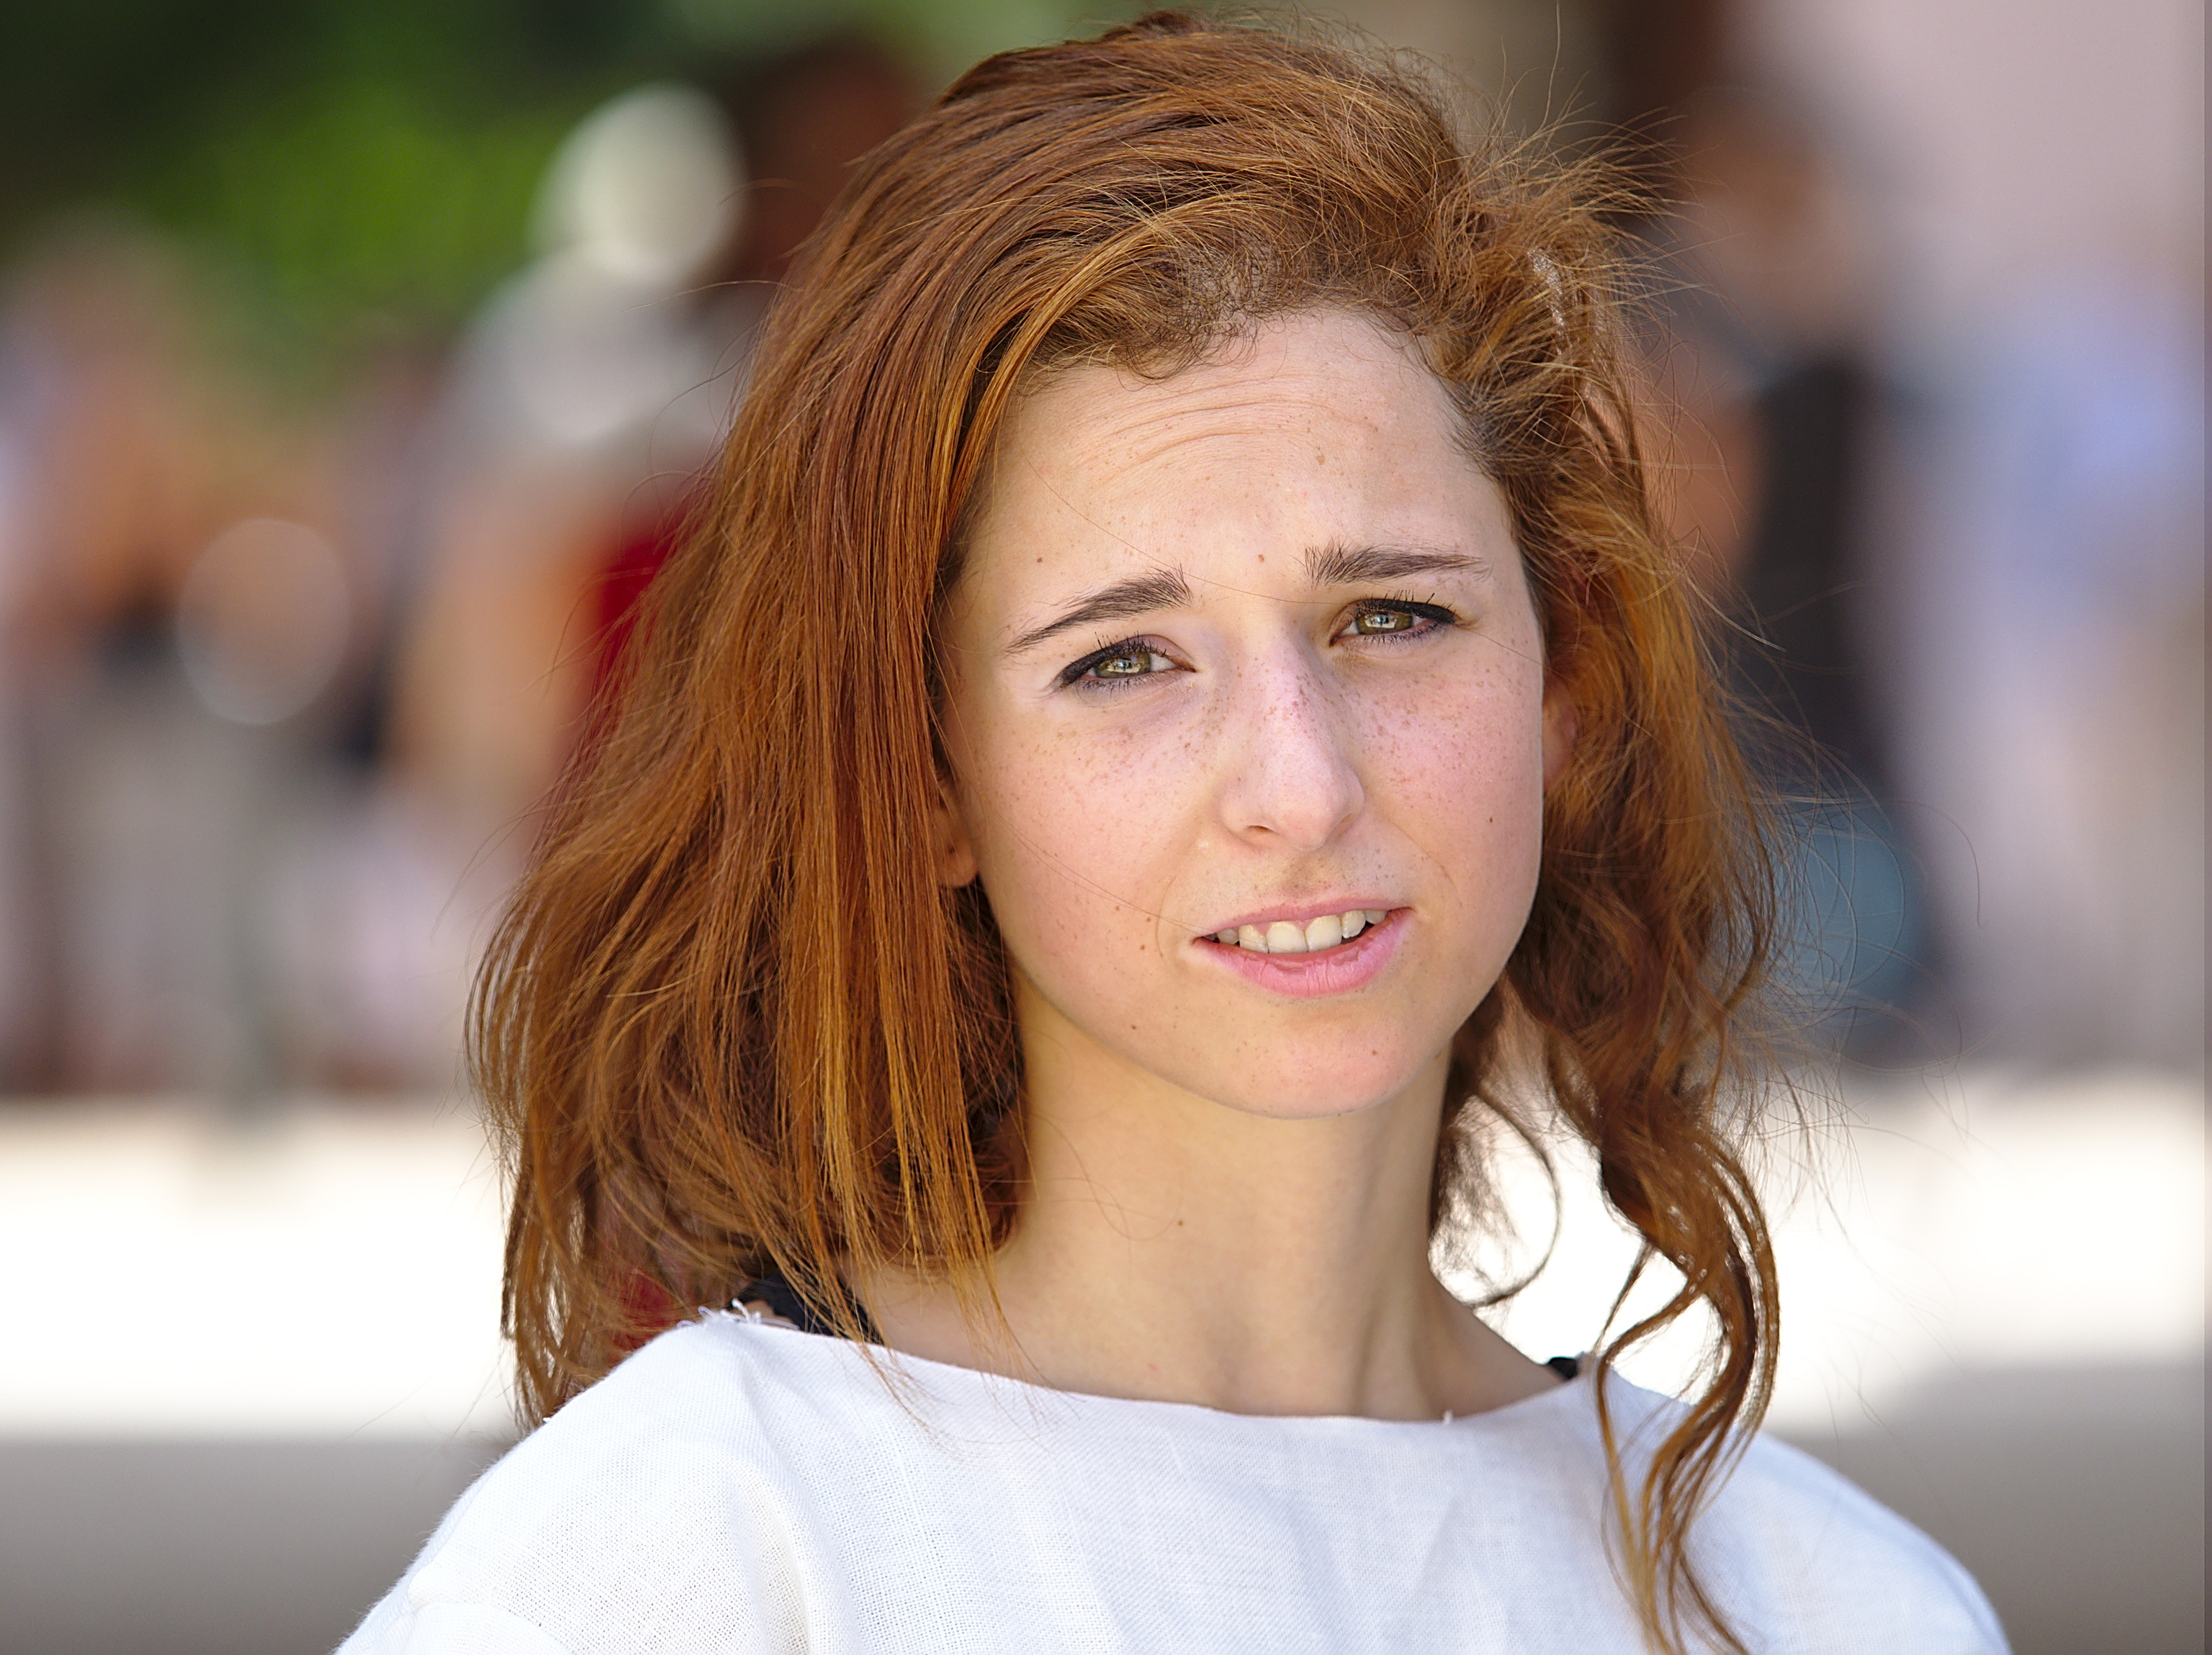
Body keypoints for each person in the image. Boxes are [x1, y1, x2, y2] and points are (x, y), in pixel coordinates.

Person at [341, 16, 2005, 1654]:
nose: (1301, 782)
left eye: (1395, 617)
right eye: (1123, 659)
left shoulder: (1833, 1606)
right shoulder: (676, 1566)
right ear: (928, 783)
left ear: (1564, 684)